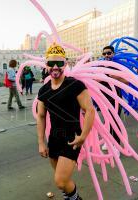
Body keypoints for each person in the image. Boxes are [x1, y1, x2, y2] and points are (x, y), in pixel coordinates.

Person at [37, 44, 95, 200]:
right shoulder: (43, 90)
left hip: (72, 138)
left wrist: (83, 136)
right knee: (61, 182)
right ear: (46, 65)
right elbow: (41, 116)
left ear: (66, 64)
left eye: (60, 63)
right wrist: (41, 143)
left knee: (61, 180)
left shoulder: (75, 85)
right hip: (54, 138)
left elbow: (89, 110)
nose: (55, 67)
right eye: (51, 63)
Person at [99, 46, 128, 153]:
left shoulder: (118, 67)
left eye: (109, 53)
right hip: (103, 99)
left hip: (115, 99)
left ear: (113, 54)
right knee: (107, 121)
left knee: (115, 122)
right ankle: (108, 141)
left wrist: (116, 78)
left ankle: (116, 147)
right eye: (104, 53)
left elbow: (127, 81)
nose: (106, 55)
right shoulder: (100, 67)